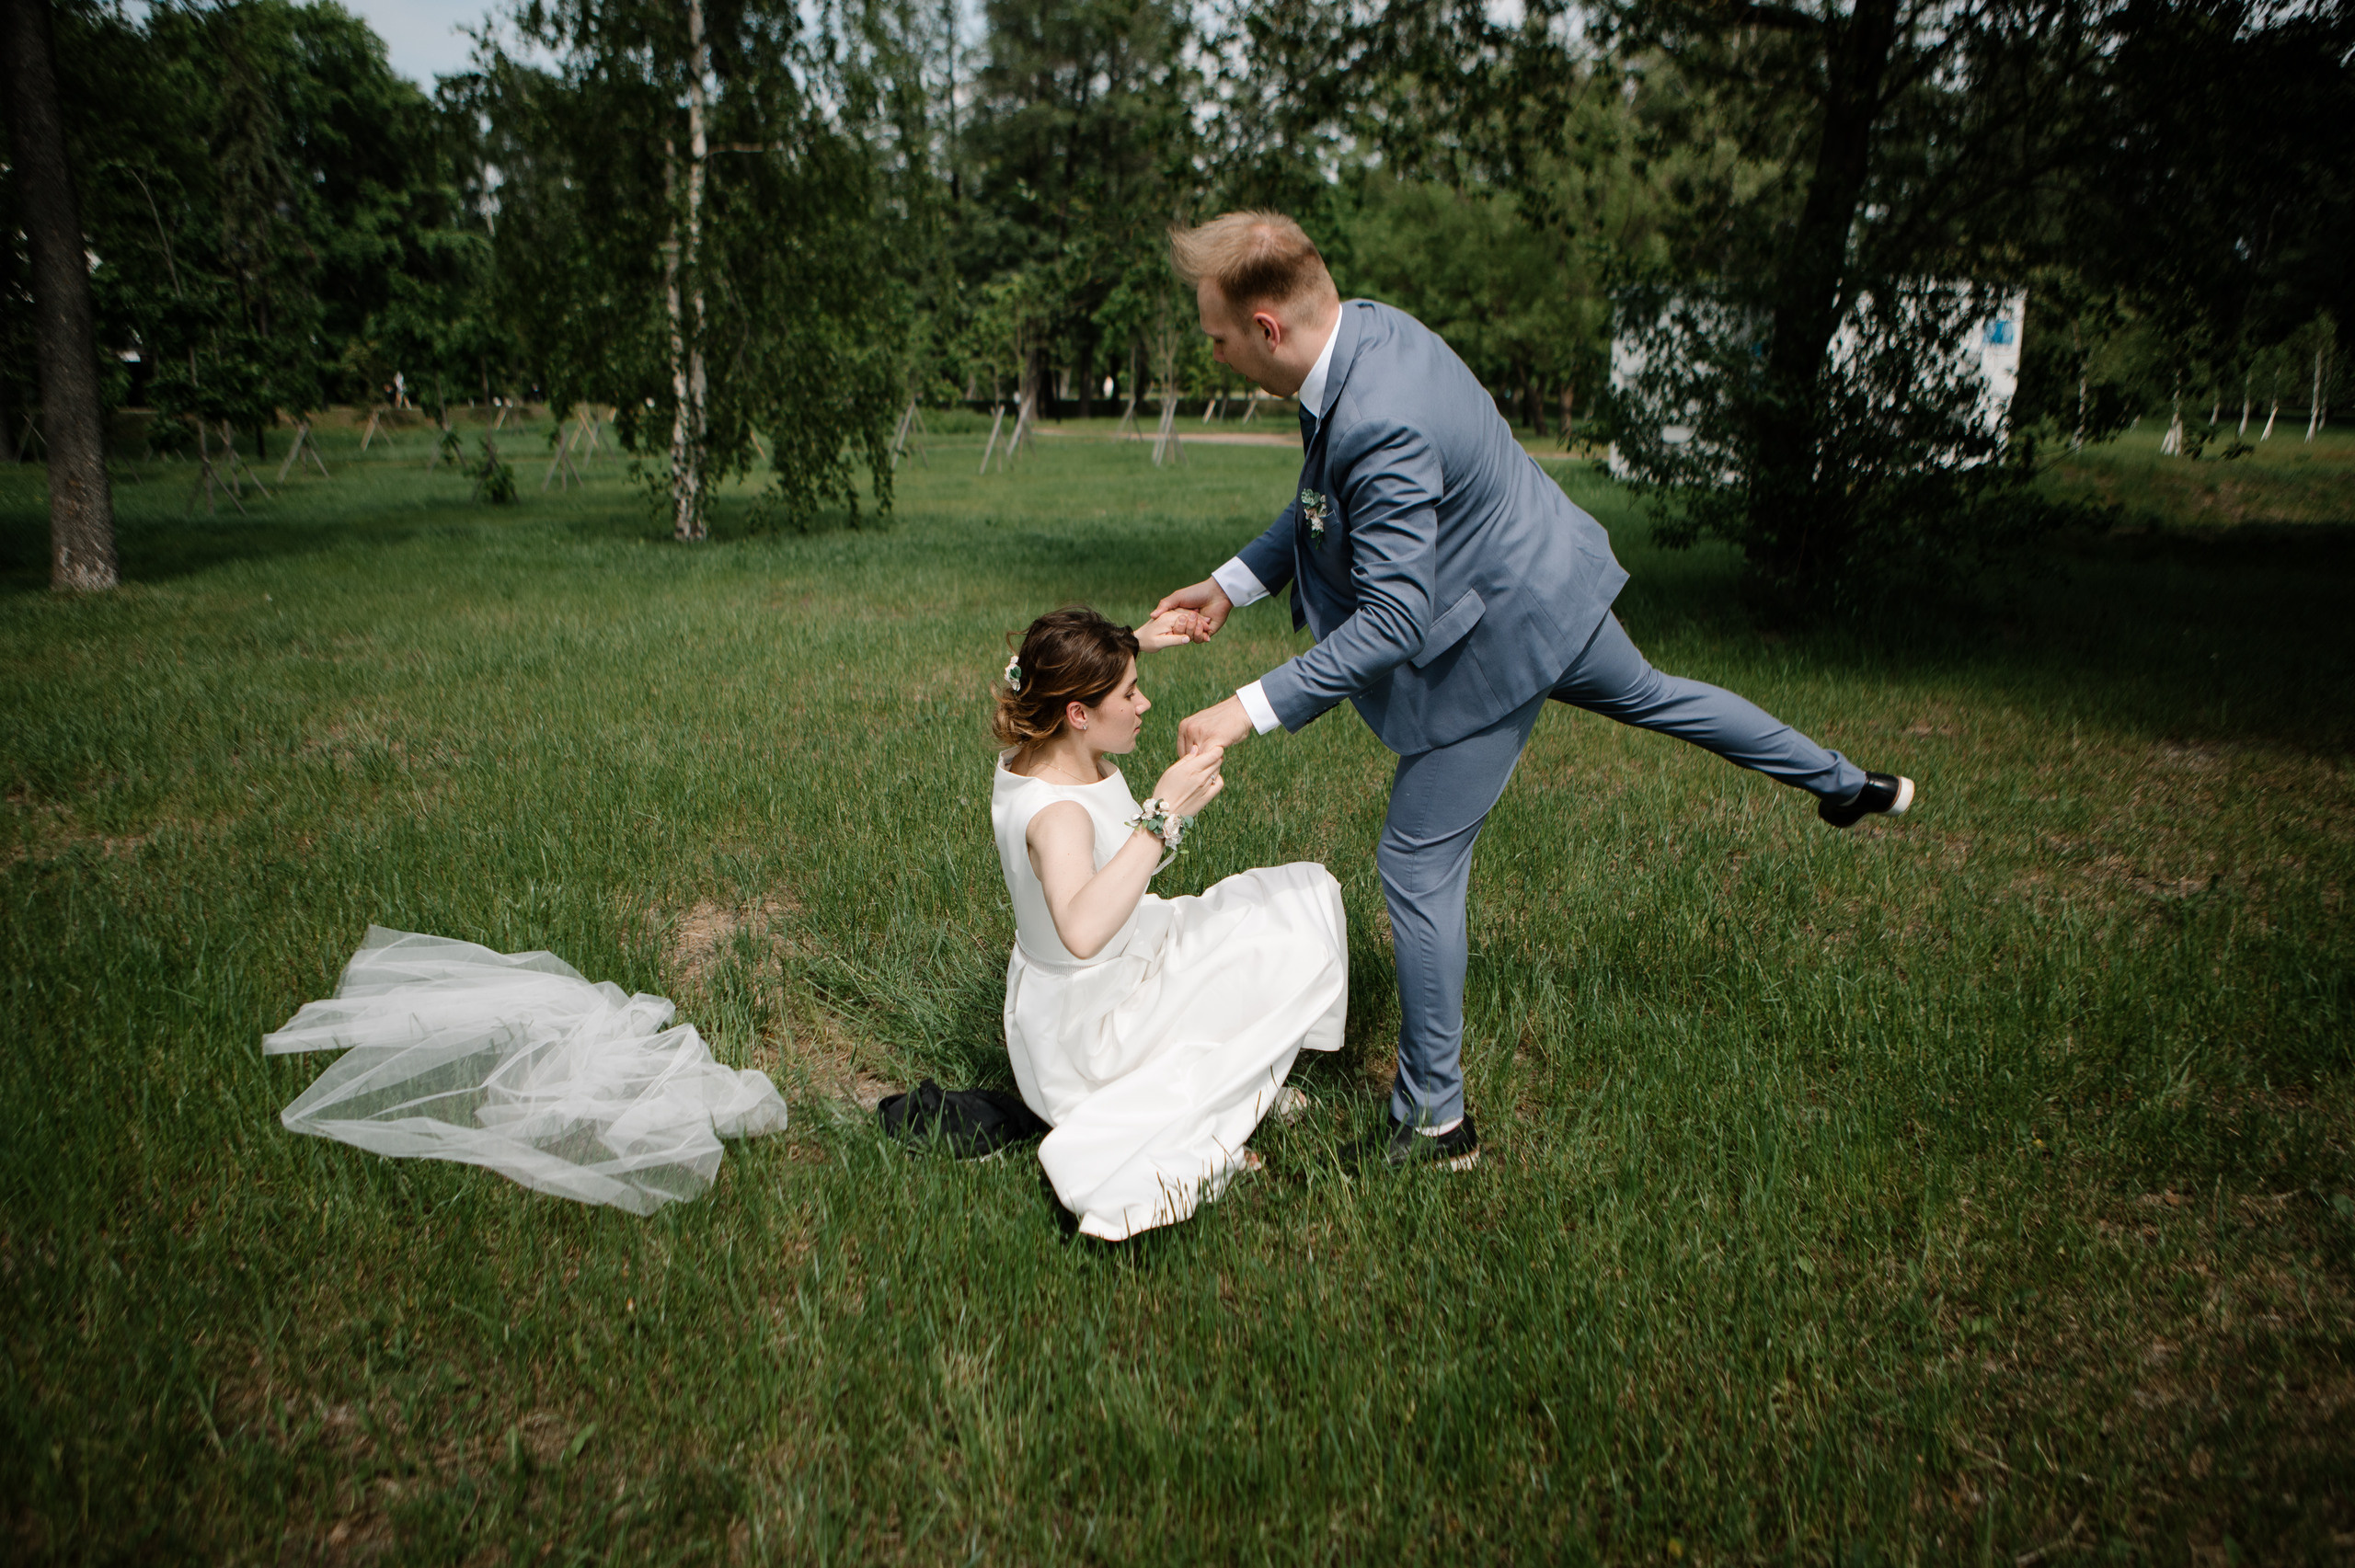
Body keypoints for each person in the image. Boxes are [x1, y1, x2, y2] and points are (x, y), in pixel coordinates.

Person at [1154, 211, 1916, 1173]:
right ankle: (1849, 783)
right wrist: (1233, 582)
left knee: (1417, 862)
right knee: (1660, 694)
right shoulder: (1366, 328)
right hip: (1544, 574)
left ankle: (1435, 1125)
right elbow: (1325, 493)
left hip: (1494, 635)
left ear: (1266, 327)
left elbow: (1392, 622)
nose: (1210, 350)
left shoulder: (1378, 413)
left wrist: (1247, 707)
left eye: (1215, 334)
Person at [991, 605, 1348, 1241]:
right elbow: (1080, 929)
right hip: (1092, 1029)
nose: (1144, 702)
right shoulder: (1059, 817)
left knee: (1298, 898)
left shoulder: (1047, 740)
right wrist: (1162, 816)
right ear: (1078, 712)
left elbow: (1059, 665)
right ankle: (1237, 1093)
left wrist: (1137, 640)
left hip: (1110, 970)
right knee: (1286, 942)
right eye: (1130, 692)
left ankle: (1250, 1078)